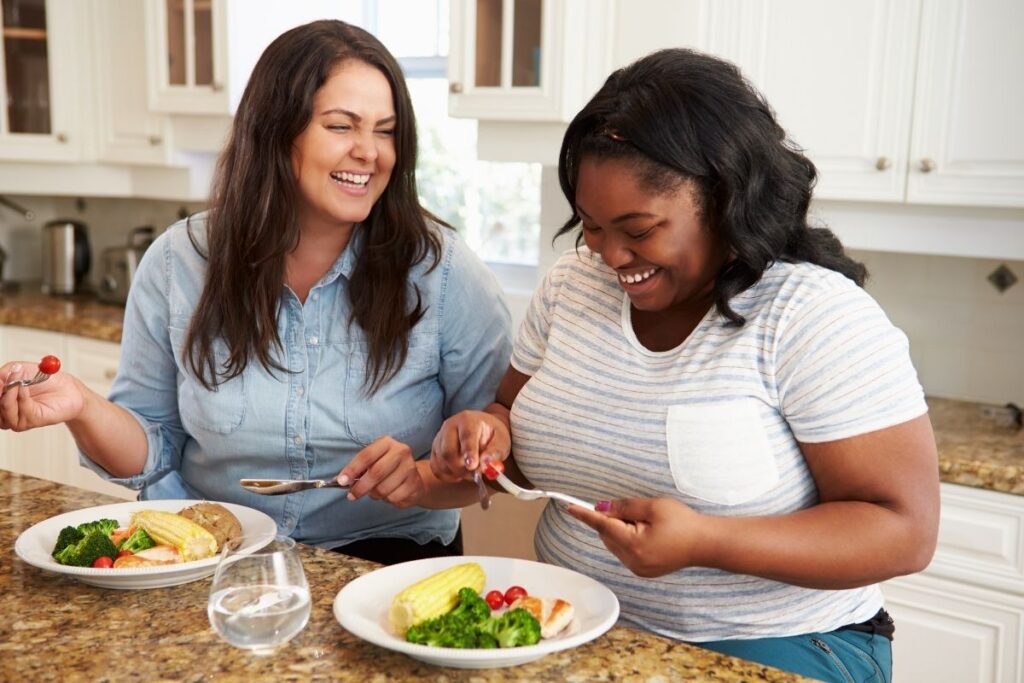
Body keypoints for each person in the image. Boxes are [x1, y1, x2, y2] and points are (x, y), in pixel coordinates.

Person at [428, 48, 939, 681]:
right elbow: (512, 419)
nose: (611, 254)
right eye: (590, 224)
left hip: (778, 643)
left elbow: (904, 531)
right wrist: (486, 435)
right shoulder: (572, 286)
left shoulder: (812, 314)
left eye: (638, 230)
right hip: (572, 627)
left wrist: (705, 542)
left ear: (724, 196)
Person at [0, 20, 511, 565]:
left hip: (384, 566)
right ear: (274, 130)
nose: (370, 152)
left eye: (385, 131)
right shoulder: (180, 262)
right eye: (342, 126)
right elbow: (152, 450)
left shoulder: (444, 272)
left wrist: (426, 476)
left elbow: (491, 465)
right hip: (211, 558)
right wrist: (81, 405)